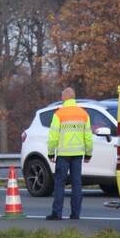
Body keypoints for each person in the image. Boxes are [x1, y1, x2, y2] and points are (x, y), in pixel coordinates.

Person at [46, 88, 93, 221]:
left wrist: (50, 152)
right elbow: (88, 136)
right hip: (78, 154)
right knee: (76, 183)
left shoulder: (59, 114)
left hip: (63, 154)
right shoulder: (84, 114)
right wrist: (88, 153)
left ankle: (57, 213)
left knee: (59, 183)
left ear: (64, 98)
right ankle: (75, 214)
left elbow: (53, 136)